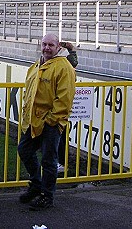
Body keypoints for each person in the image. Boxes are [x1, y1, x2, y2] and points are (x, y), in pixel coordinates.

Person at [18, 33, 76, 210]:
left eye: (51, 45)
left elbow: (64, 98)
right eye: (44, 44)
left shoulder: (63, 66)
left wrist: (52, 120)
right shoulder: (37, 65)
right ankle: (37, 184)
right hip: (34, 121)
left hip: (50, 122)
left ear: (58, 47)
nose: (47, 48)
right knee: (24, 149)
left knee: (49, 160)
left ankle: (47, 196)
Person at [57, 41, 78, 174]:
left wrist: (72, 51)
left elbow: (73, 63)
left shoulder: (64, 64)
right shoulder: (49, 62)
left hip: (59, 108)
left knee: (60, 136)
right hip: (53, 107)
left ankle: (61, 162)